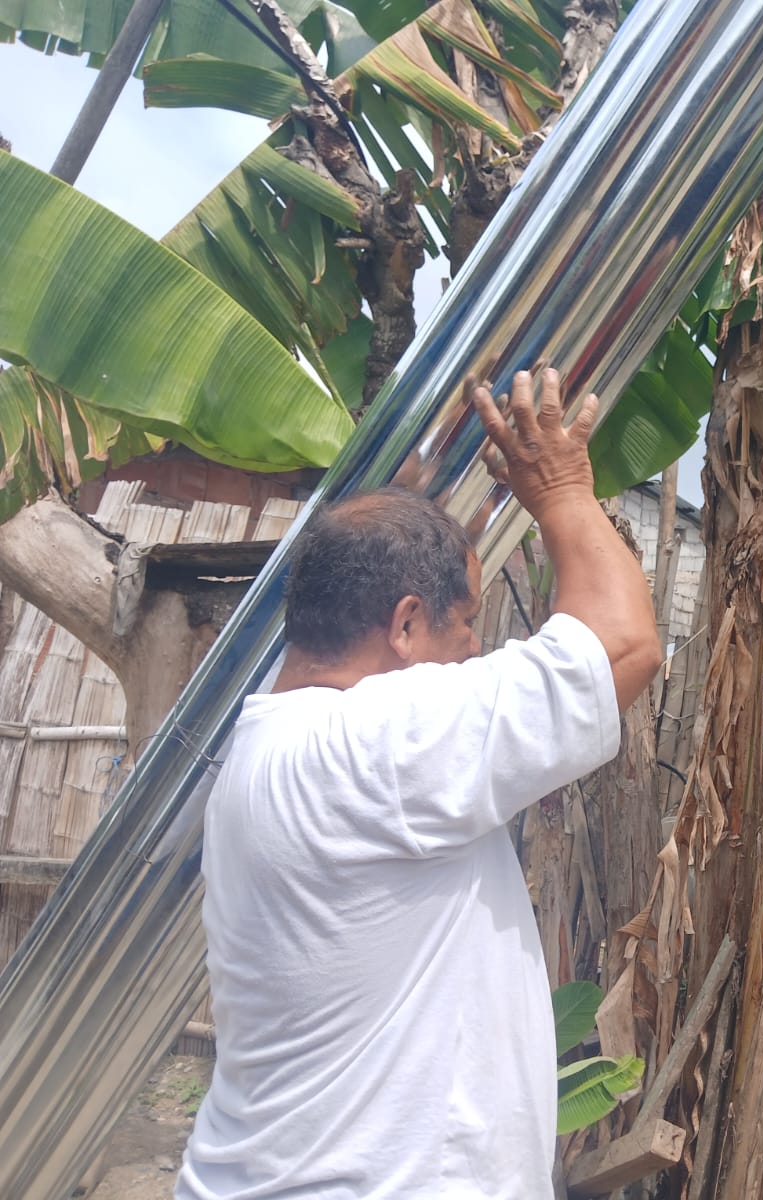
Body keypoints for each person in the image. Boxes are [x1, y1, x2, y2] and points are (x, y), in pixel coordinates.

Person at [176, 367, 662, 1200]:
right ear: (404, 623)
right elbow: (622, 644)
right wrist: (561, 491)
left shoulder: (273, 745)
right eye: (465, 621)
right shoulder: (371, 746)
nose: (474, 646)